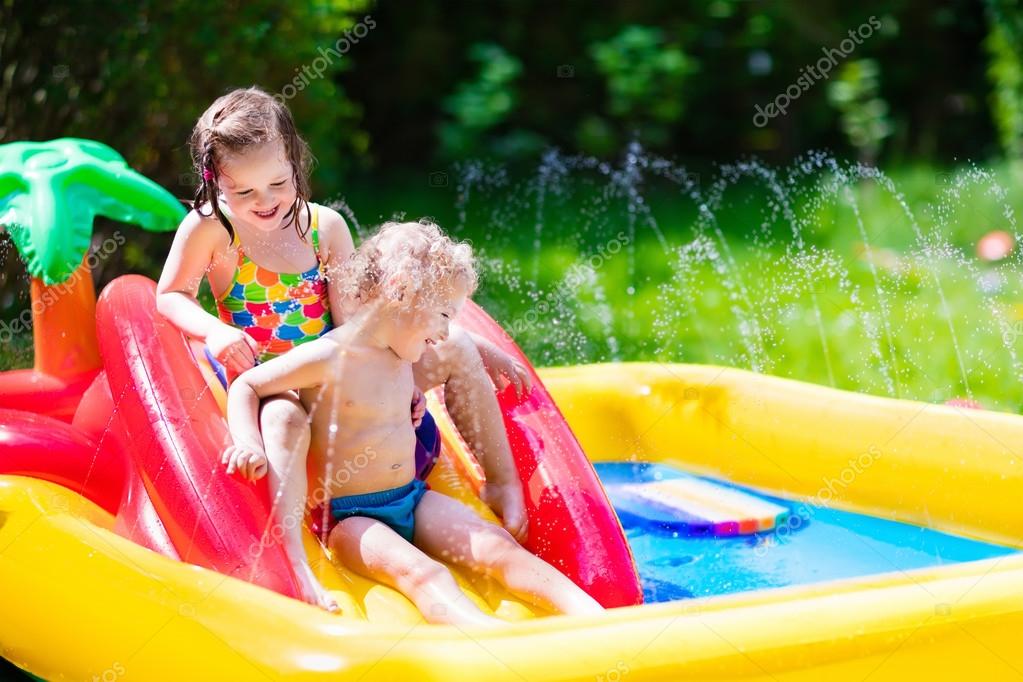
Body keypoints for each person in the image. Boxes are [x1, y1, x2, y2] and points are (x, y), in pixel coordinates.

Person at [156, 87, 531, 609]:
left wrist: (395, 381)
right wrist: (214, 332)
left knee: (459, 347)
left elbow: (361, 320)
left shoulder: (323, 228)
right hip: (271, 378)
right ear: (214, 179)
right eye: (244, 191)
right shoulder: (211, 229)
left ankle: (502, 483)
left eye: (278, 183)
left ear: (295, 161)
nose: (265, 201)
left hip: (333, 371)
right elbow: (171, 294)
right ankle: (294, 561)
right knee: (283, 419)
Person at [223, 221, 604, 625]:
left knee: (497, 546)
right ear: (401, 293)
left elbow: (452, 346)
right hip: (351, 521)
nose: (443, 331)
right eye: (442, 315)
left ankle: (593, 615)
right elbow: (249, 384)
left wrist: (485, 351)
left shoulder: (401, 350)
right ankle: (488, 637)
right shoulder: (331, 357)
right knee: (424, 573)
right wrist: (248, 442)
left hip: (413, 497)